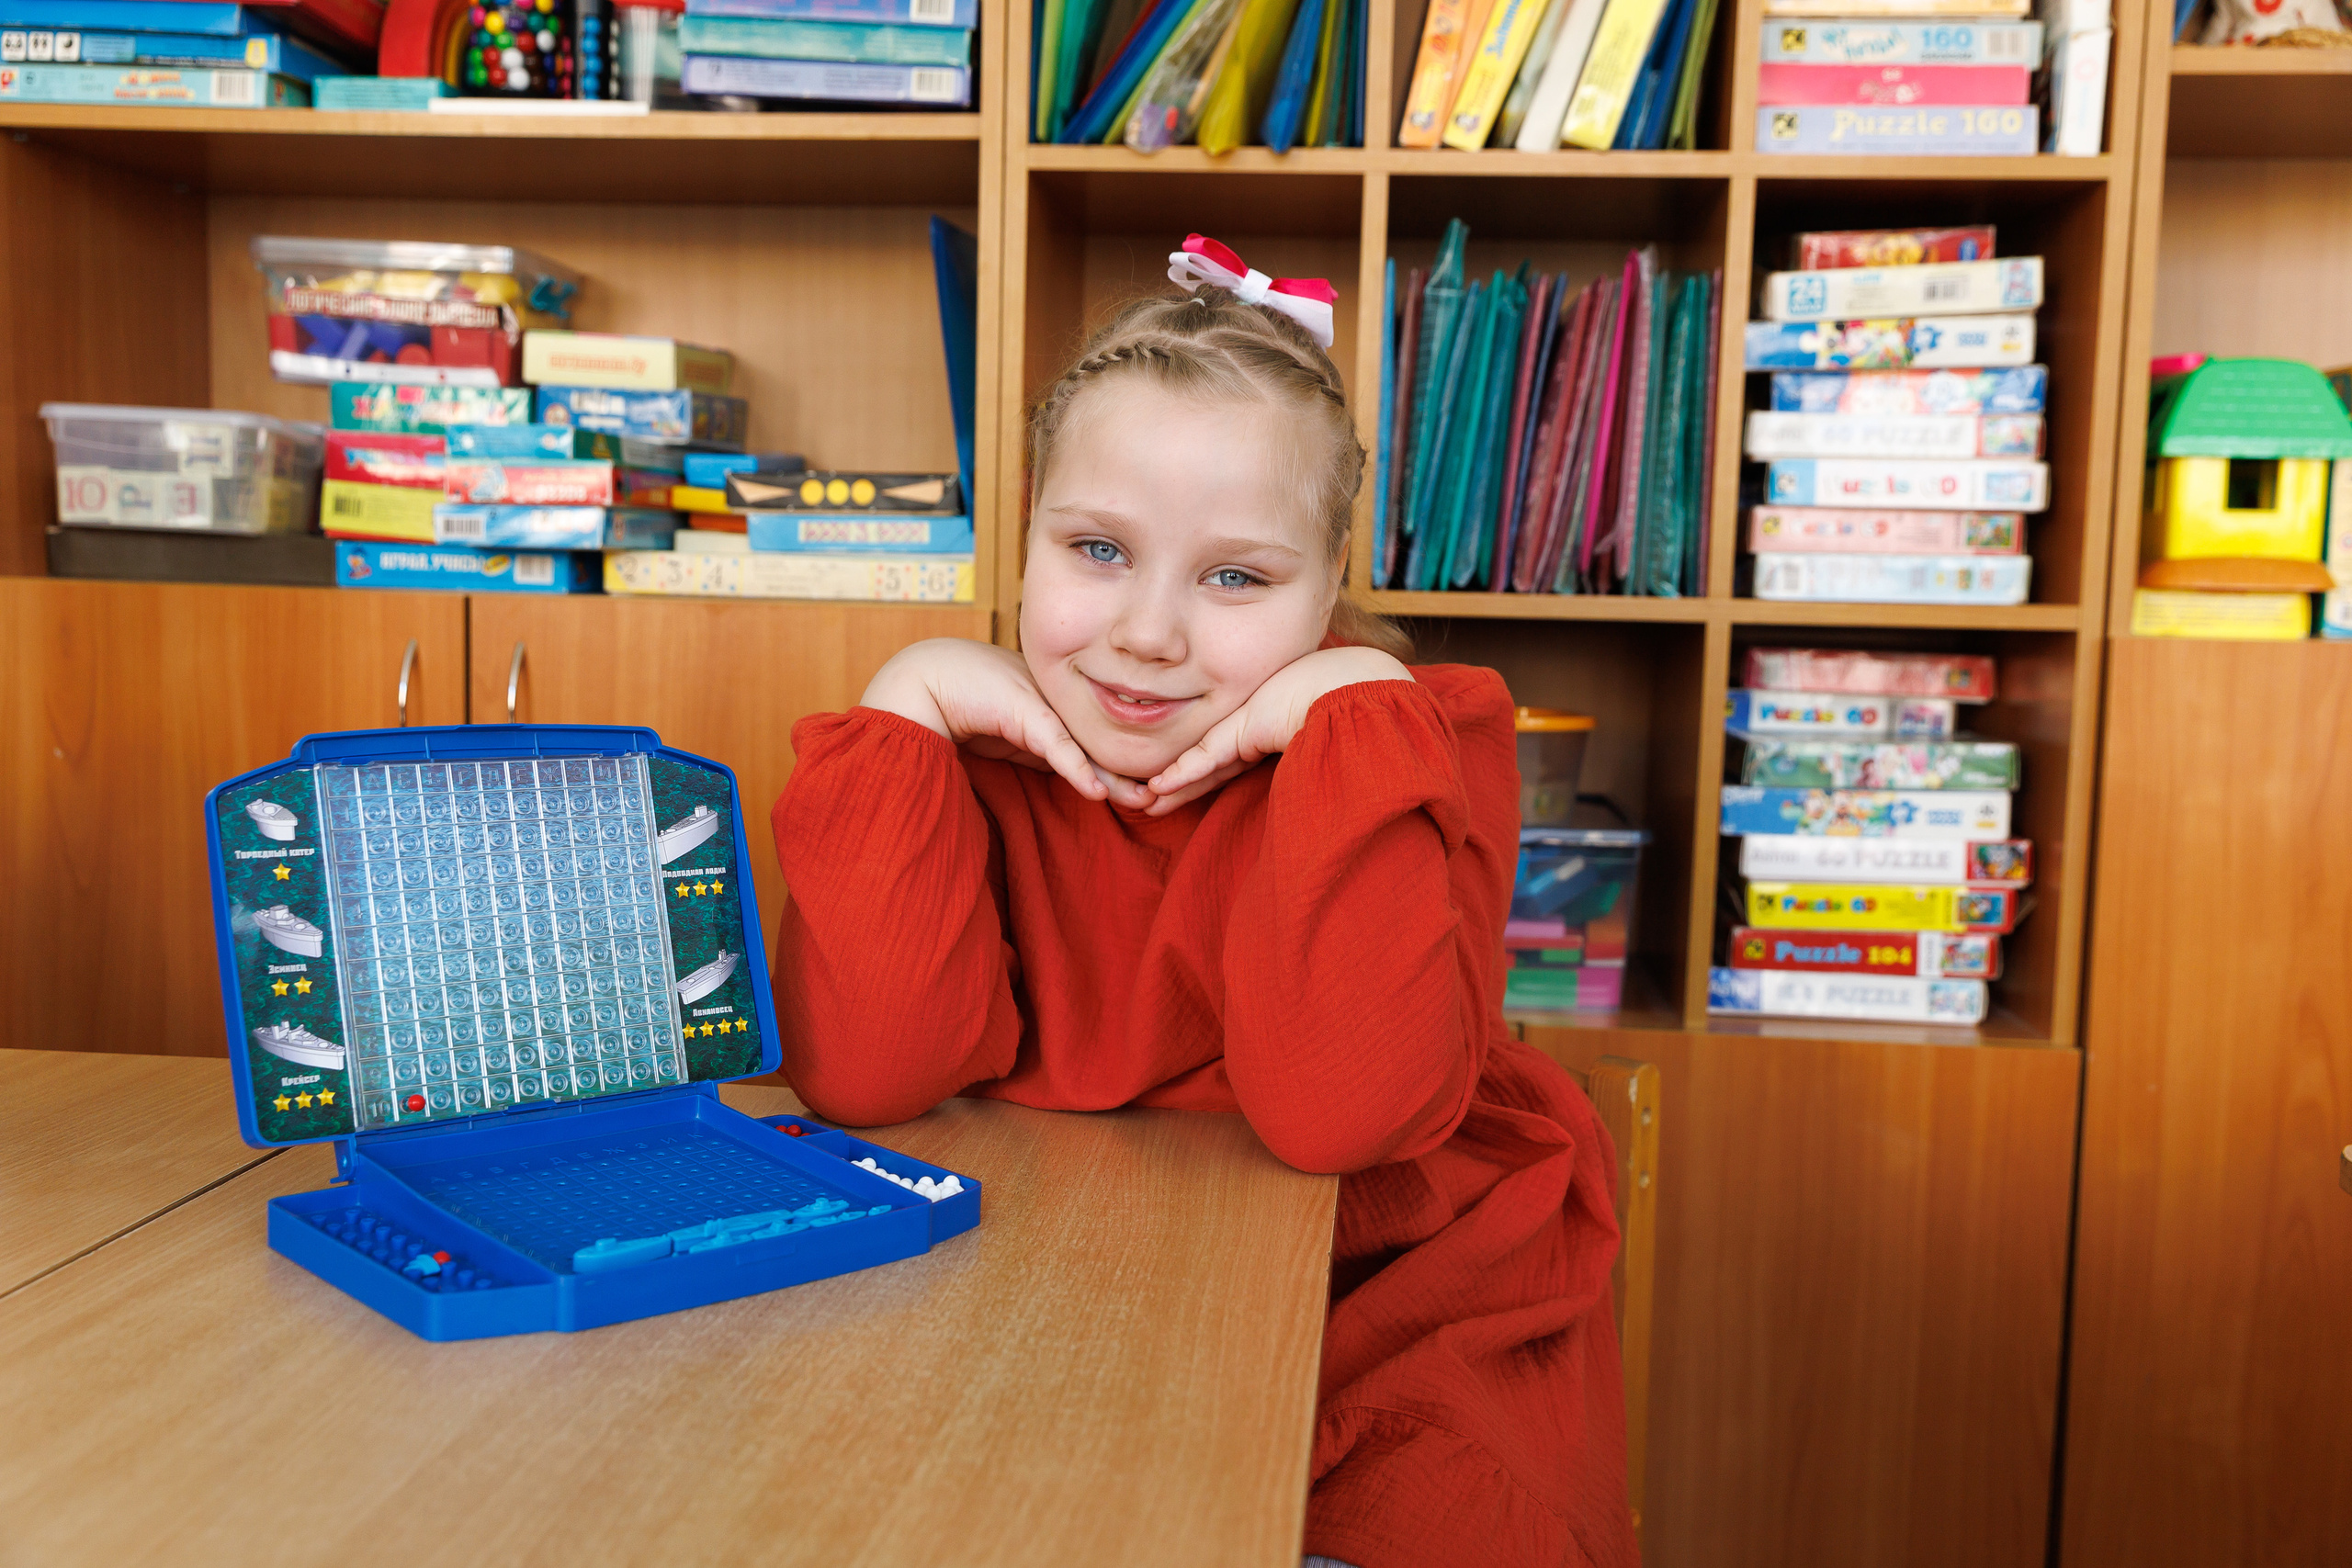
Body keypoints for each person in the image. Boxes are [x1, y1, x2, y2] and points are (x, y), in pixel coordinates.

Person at [770, 238, 1636, 1568]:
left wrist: (1342, 710)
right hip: (1058, 1285)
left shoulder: (1411, 736)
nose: (1149, 634)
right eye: (1098, 550)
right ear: (1028, 531)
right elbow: (876, 1074)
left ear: (1329, 584)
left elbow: (1338, 1114)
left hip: (1384, 1306)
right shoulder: (977, 748)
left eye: (1237, 578)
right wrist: (907, 701)